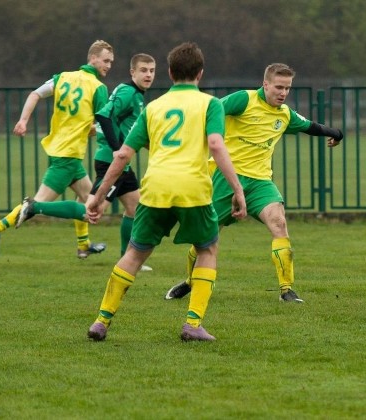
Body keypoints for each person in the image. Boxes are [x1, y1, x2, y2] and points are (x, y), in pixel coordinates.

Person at [86, 41, 247, 342]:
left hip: (155, 188)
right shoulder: (210, 104)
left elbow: (122, 154)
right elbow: (215, 144)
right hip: (192, 190)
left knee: (134, 253)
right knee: (207, 249)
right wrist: (237, 188)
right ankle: (193, 324)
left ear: (170, 72)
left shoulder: (153, 108)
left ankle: (101, 321)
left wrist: (97, 196)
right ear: (200, 73)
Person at [164, 63, 343, 303]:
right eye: (279, 87)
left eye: (288, 88)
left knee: (279, 223)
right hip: (225, 178)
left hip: (260, 182)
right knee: (206, 237)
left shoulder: (284, 114)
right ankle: (190, 281)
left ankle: (286, 290)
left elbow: (309, 125)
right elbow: (212, 109)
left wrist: (335, 132)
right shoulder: (244, 100)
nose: (283, 93)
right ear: (266, 84)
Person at [15, 53, 156, 271]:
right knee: (92, 210)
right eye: (143, 70)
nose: (148, 75)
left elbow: (131, 131)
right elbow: (104, 116)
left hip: (121, 163)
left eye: (152, 71)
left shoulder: (136, 95)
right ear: (133, 72)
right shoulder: (128, 92)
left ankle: (127, 259)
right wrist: (118, 149)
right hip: (113, 162)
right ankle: (35, 206)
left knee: (134, 207)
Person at [0, 40, 114, 259]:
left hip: (62, 151)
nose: (109, 65)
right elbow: (103, 123)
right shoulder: (98, 87)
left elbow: (35, 94)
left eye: (111, 62)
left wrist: (23, 120)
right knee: (43, 205)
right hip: (68, 156)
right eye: (105, 60)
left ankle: (83, 245)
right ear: (92, 58)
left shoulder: (63, 77)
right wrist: (99, 133)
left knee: (88, 197)